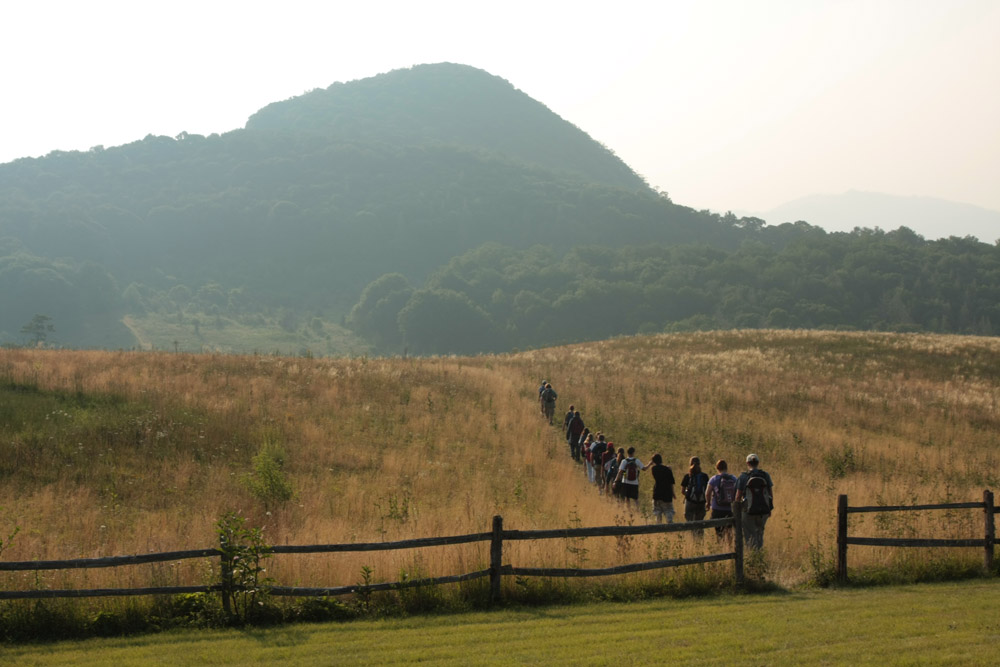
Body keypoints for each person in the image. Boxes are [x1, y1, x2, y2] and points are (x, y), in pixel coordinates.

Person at [734, 453, 774, 550]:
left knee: (749, 535)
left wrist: (737, 511)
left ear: (747, 463)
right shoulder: (765, 475)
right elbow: (770, 495)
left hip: (748, 511)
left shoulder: (743, 476)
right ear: (758, 463)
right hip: (763, 511)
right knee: (760, 533)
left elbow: (738, 497)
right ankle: (759, 554)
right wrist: (769, 509)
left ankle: (752, 556)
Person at [705, 459, 738, 542]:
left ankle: (721, 547)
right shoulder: (733, 478)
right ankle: (729, 548)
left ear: (717, 468)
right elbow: (738, 491)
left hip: (717, 509)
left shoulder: (714, 479)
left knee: (719, 532)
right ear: (726, 468)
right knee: (729, 531)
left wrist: (708, 503)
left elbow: (707, 493)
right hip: (729, 509)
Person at [680, 456, 710, 536]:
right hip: (701, 502)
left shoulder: (687, 476)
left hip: (690, 502)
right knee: (700, 522)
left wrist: (689, 496)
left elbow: (682, 491)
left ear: (690, 464)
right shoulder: (705, 476)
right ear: (700, 464)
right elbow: (708, 491)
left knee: (690, 521)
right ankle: (700, 539)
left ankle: (693, 535)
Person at [649, 454, 675, 524]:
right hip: (667, 494)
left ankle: (658, 528)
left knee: (657, 512)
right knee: (668, 511)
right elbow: (671, 482)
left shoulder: (653, 469)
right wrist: (673, 493)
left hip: (657, 493)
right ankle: (670, 527)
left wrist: (650, 463)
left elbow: (654, 467)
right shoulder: (668, 470)